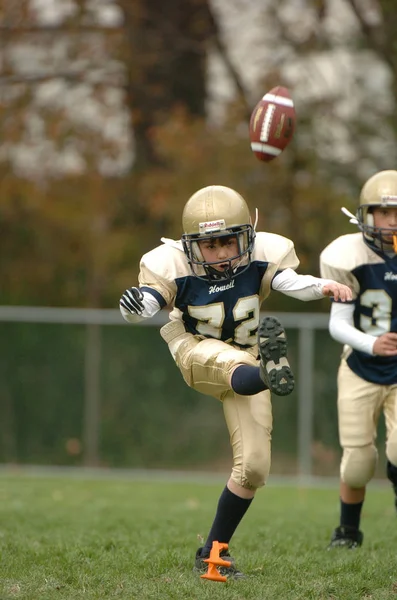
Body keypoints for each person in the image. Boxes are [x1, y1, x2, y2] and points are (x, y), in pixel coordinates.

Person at [120, 185, 352, 578]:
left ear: (247, 236)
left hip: (250, 362)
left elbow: (288, 283)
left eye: (229, 242)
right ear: (191, 246)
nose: (223, 254)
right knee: (232, 365)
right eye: (211, 246)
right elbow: (150, 299)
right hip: (194, 348)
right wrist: (136, 305)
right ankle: (266, 374)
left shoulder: (263, 254)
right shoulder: (171, 263)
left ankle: (212, 555)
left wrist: (322, 286)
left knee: (255, 469)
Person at [320, 170, 397, 550]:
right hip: (360, 368)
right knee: (358, 464)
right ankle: (348, 532)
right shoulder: (346, 256)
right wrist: (372, 344)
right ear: (366, 216)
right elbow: (338, 324)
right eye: (385, 212)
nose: (393, 221)